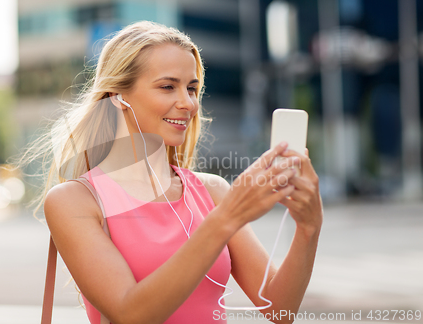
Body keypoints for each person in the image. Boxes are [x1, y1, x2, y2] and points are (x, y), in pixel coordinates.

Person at [36, 21, 323, 324]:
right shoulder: (75, 201)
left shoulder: (212, 191)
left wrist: (309, 228)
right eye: (168, 87)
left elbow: (280, 310)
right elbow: (129, 314)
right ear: (118, 95)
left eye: (192, 88)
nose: (188, 103)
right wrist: (228, 217)